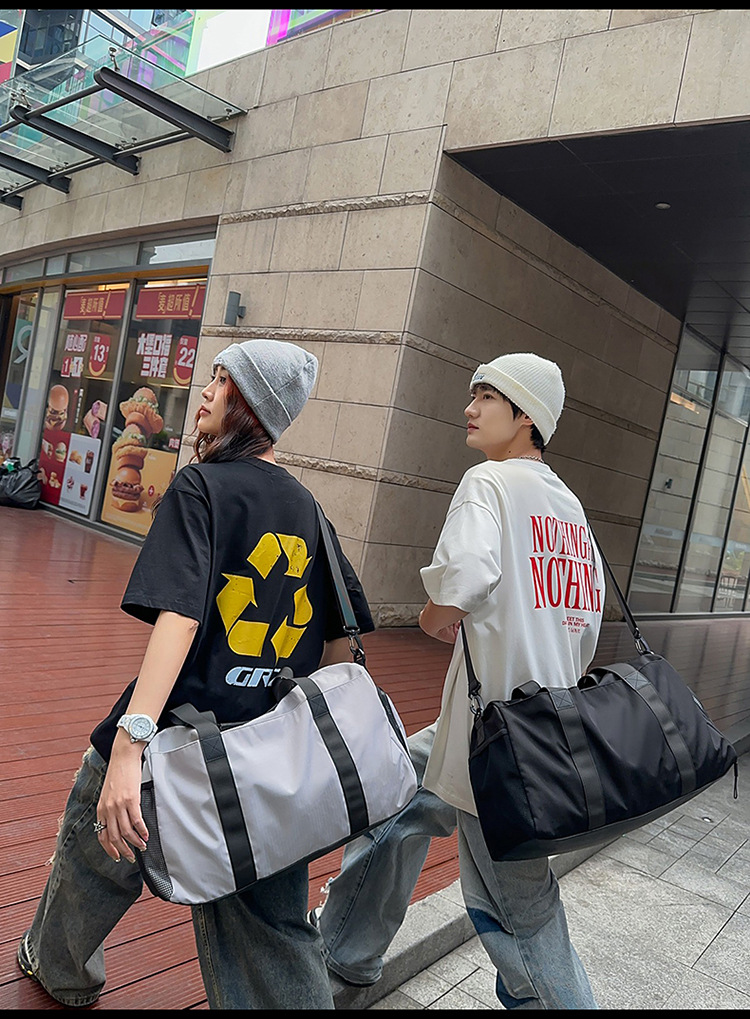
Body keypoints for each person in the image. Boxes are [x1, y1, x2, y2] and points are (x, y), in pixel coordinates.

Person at [17, 339, 375, 1010]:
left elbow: (179, 619)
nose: (205, 391)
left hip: (178, 738)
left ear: (252, 403)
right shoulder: (309, 509)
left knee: (96, 854)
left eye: (222, 380)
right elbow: (339, 638)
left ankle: (61, 971)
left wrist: (130, 744)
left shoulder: (200, 485)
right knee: (274, 924)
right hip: (264, 759)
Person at [314, 352, 603, 1009]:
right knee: (398, 791)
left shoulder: (489, 482)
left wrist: (432, 617)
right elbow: (583, 628)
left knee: (522, 917)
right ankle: (346, 951)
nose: (469, 408)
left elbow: (462, 583)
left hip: (494, 743)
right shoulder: (568, 506)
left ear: (526, 415)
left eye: (487, 396)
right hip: (533, 728)